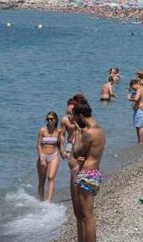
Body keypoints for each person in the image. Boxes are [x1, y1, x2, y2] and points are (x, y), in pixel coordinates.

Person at [70, 103, 106, 242]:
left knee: (87, 217)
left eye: (75, 118)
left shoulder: (89, 133)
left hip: (86, 175)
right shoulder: (100, 131)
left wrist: (77, 132)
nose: (76, 121)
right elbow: (88, 153)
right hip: (95, 174)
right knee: (88, 216)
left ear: (80, 116)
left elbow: (76, 151)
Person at [36, 111, 65, 202]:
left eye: (51, 119)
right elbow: (38, 145)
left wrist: (63, 153)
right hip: (43, 156)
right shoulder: (42, 130)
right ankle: (41, 200)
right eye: (47, 119)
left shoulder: (59, 131)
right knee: (42, 180)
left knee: (51, 177)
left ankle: (49, 202)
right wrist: (40, 155)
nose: (49, 120)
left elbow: (60, 145)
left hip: (54, 155)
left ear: (56, 120)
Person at [127, 79, 143, 144]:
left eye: (132, 87)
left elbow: (136, 99)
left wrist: (129, 98)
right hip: (142, 110)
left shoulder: (139, 89)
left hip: (140, 111)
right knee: (138, 126)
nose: (133, 89)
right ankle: (139, 141)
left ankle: (141, 142)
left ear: (134, 85)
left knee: (140, 127)